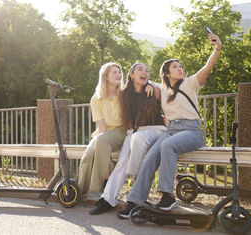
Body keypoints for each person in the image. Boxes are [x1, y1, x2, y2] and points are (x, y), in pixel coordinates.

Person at [118, 33, 222, 218]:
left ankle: (167, 195)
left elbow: (208, 66)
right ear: (166, 73)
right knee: (150, 157)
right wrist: (149, 83)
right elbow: (144, 82)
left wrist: (217, 48)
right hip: (171, 130)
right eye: (175, 67)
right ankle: (134, 201)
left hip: (192, 131)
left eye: (180, 66)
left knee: (167, 145)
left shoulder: (191, 84)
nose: (179, 69)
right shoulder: (162, 89)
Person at [89, 63, 166, 215]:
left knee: (136, 139)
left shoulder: (154, 90)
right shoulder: (124, 95)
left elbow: (165, 87)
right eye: (140, 70)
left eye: (146, 71)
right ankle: (107, 199)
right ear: (131, 75)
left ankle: (135, 189)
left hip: (156, 131)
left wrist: (151, 83)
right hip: (134, 133)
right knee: (122, 162)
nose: (144, 72)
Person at [78, 62, 127, 195]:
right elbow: (102, 127)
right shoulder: (96, 98)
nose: (119, 74)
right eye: (114, 72)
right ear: (106, 77)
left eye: (119, 72)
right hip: (103, 134)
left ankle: (95, 191)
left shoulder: (124, 95)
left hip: (121, 132)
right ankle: (81, 192)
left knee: (101, 141)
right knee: (87, 156)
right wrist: (105, 161)